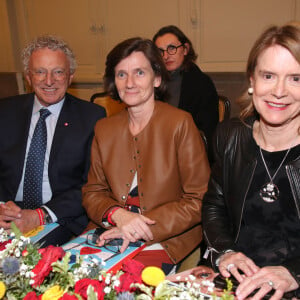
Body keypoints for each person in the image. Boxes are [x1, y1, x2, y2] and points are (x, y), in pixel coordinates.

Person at [82, 37, 210, 273]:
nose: (129, 82)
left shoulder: (180, 123)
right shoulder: (104, 128)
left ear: (157, 78)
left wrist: (139, 226)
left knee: (120, 287)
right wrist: (118, 215)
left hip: (165, 236)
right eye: (121, 74)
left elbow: (198, 199)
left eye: (139, 72)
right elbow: (93, 192)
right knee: (66, 279)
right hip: (109, 228)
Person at [202, 24, 300, 299]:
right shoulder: (229, 136)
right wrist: (225, 253)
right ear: (252, 81)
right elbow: (214, 205)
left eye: (295, 78)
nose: (279, 91)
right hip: (233, 280)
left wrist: (293, 272)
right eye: (268, 75)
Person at [0, 35, 106, 245]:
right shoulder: (4, 111)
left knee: (25, 266)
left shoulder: (92, 117)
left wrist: (39, 215)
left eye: (58, 72)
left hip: (56, 214)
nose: (49, 81)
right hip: (8, 210)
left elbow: (92, 185)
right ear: (28, 77)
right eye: (40, 72)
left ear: (71, 76)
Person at [153, 25, 219, 163]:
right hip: (155, 153)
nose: (166, 56)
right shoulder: (152, 81)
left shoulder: (201, 83)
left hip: (189, 158)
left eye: (172, 48)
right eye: (160, 51)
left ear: (185, 49)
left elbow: (206, 135)